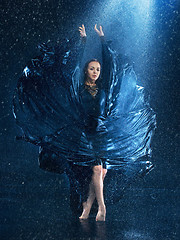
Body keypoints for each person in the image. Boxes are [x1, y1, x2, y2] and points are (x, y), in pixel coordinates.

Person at [13, 24, 156, 222]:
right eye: (92, 68)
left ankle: (88, 205)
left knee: (102, 171)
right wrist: (83, 41)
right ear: (86, 71)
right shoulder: (79, 89)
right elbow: (73, 63)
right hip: (85, 134)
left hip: (103, 133)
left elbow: (111, 65)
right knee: (92, 169)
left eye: (97, 69)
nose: (96, 72)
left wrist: (103, 41)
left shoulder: (105, 88)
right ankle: (101, 208)